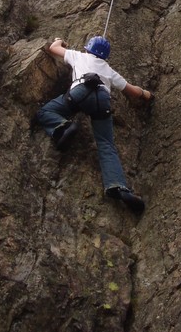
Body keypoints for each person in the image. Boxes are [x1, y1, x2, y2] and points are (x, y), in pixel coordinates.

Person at [36, 35, 153, 213]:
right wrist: (147, 94)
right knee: (106, 144)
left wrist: (60, 40)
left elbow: (53, 48)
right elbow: (133, 91)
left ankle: (63, 127)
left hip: (80, 92)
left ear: (88, 48)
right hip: (102, 100)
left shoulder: (78, 56)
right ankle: (118, 187)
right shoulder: (109, 70)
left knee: (45, 112)